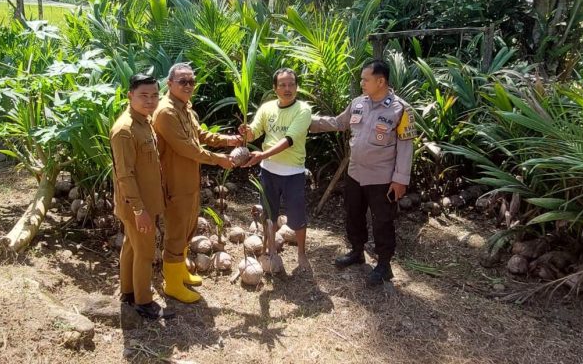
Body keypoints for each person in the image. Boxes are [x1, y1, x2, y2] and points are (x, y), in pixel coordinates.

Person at [309, 59, 416, 286]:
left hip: (382, 178)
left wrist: (400, 179)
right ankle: (357, 251)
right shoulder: (358, 103)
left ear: (381, 81)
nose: (361, 83)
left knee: (382, 220)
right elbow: (338, 122)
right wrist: (307, 122)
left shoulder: (401, 109)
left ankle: (384, 265)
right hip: (355, 173)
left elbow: (406, 147)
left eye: (365, 79)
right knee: (353, 213)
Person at [153, 63, 241, 303]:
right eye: (183, 81)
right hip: (174, 182)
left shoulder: (186, 108)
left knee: (188, 227)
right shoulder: (165, 112)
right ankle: (171, 284)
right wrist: (219, 160)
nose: (188, 85)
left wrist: (229, 140)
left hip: (189, 180)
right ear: (169, 83)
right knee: (176, 231)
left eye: (191, 81)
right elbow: (187, 148)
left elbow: (200, 135)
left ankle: (180, 272)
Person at [110, 73, 172, 319]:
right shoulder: (124, 130)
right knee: (144, 252)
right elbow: (124, 175)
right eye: (143, 95)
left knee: (131, 247)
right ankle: (144, 302)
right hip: (137, 205)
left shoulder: (143, 121)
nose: (150, 100)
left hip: (144, 202)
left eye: (155, 95)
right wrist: (139, 210)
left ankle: (128, 292)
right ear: (130, 96)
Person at [239, 68, 313, 271]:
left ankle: (301, 253)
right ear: (275, 88)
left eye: (291, 84)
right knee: (268, 214)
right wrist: (247, 132)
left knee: (297, 217)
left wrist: (262, 155)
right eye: (282, 84)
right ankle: (271, 249)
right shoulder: (267, 108)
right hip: (268, 172)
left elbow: (289, 139)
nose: (287, 88)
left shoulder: (303, 110)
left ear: (297, 87)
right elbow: (255, 132)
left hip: (293, 173)